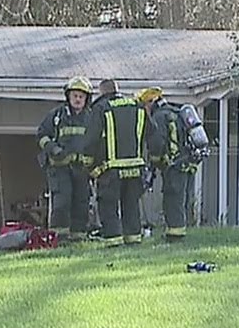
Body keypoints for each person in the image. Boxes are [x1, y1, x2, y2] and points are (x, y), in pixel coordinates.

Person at [84, 79, 153, 247]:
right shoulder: (137, 106)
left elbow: (91, 139)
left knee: (108, 206)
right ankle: (133, 239)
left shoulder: (101, 108)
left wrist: (88, 164)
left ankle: (113, 241)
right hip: (135, 169)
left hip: (110, 170)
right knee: (131, 205)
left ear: (102, 92)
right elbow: (152, 131)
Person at [137, 87, 204, 242]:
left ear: (150, 103)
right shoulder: (177, 112)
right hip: (188, 164)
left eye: (144, 106)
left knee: (172, 201)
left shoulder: (159, 117)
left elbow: (157, 144)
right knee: (182, 201)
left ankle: (175, 236)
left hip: (174, 166)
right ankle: (180, 230)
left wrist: (153, 166)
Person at [35, 76, 94, 241]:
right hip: (59, 168)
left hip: (82, 169)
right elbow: (41, 135)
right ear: (68, 96)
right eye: (75, 95)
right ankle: (58, 238)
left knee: (81, 203)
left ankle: (78, 237)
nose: (77, 99)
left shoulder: (92, 117)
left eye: (81, 96)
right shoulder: (56, 116)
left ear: (86, 99)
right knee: (62, 202)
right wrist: (53, 148)